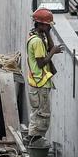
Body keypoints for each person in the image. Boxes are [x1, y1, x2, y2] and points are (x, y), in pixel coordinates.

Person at [25, 8, 62, 145]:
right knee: (42, 115)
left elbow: (50, 47)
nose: (49, 27)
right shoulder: (37, 42)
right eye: (47, 25)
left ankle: (32, 139)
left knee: (36, 114)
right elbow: (41, 63)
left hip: (38, 83)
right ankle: (35, 142)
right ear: (41, 24)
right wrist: (52, 52)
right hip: (40, 84)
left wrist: (49, 33)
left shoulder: (38, 36)